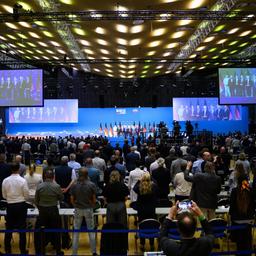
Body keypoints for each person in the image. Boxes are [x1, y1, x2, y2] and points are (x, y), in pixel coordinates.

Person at [34, 169, 64, 255]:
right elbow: (61, 198)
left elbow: (36, 200)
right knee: (56, 230)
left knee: (41, 230)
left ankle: (41, 248)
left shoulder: (39, 186)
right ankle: (58, 249)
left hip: (42, 210)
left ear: (45, 176)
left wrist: (40, 208)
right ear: (53, 177)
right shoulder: (57, 186)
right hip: (53, 210)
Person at [2, 162, 29, 254]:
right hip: (21, 205)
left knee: (8, 227)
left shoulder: (5, 180)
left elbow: (4, 195)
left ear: (11, 169)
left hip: (10, 205)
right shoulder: (23, 180)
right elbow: (26, 195)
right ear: (18, 169)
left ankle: (7, 249)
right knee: (22, 228)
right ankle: (22, 250)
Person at [70, 167, 97, 256]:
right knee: (91, 231)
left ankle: (74, 253)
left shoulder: (74, 185)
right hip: (88, 209)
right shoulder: (91, 185)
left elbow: (72, 199)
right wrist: (91, 205)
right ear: (87, 175)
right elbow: (94, 199)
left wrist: (75, 205)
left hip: (78, 209)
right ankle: (93, 252)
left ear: (79, 174)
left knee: (76, 231)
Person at [229, 175, 255, 256]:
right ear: (247, 181)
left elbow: (232, 207)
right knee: (247, 241)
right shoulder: (251, 191)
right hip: (248, 220)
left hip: (237, 221)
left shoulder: (234, 191)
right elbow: (253, 206)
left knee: (239, 243)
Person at [133, 173, 158, 251]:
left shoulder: (139, 187)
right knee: (151, 225)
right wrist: (151, 178)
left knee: (142, 226)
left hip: (141, 210)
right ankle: (151, 244)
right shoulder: (153, 186)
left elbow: (134, 188)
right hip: (151, 210)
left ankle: (142, 244)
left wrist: (139, 180)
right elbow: (156, 184)